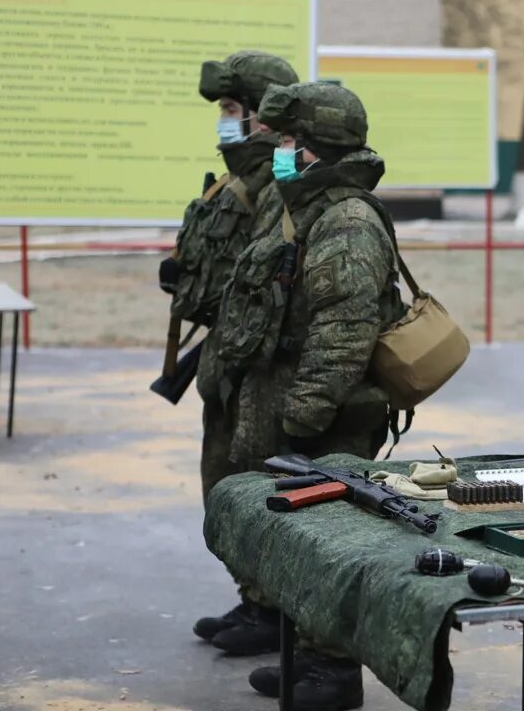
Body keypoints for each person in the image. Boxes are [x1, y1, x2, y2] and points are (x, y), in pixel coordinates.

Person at [211, 81, 407, 709]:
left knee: (328, 541)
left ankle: (332, 672)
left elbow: (343, 330)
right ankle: (306, 657)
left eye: (291, 141)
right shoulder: (310, 206)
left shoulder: (346, 220)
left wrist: (304, 417)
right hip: (293, 397)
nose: (281, 151)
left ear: (319, 147)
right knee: (297, 539)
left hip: (327, 415)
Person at [157, 50, 298, 652]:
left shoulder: (279, 181)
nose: (225, 120)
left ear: (264, 117)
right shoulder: (238, 177)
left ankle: (274, 612)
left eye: (233, 109)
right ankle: (254, 600)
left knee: (253, 486)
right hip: (226, 358)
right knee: (222, 485)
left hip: (260, 366)